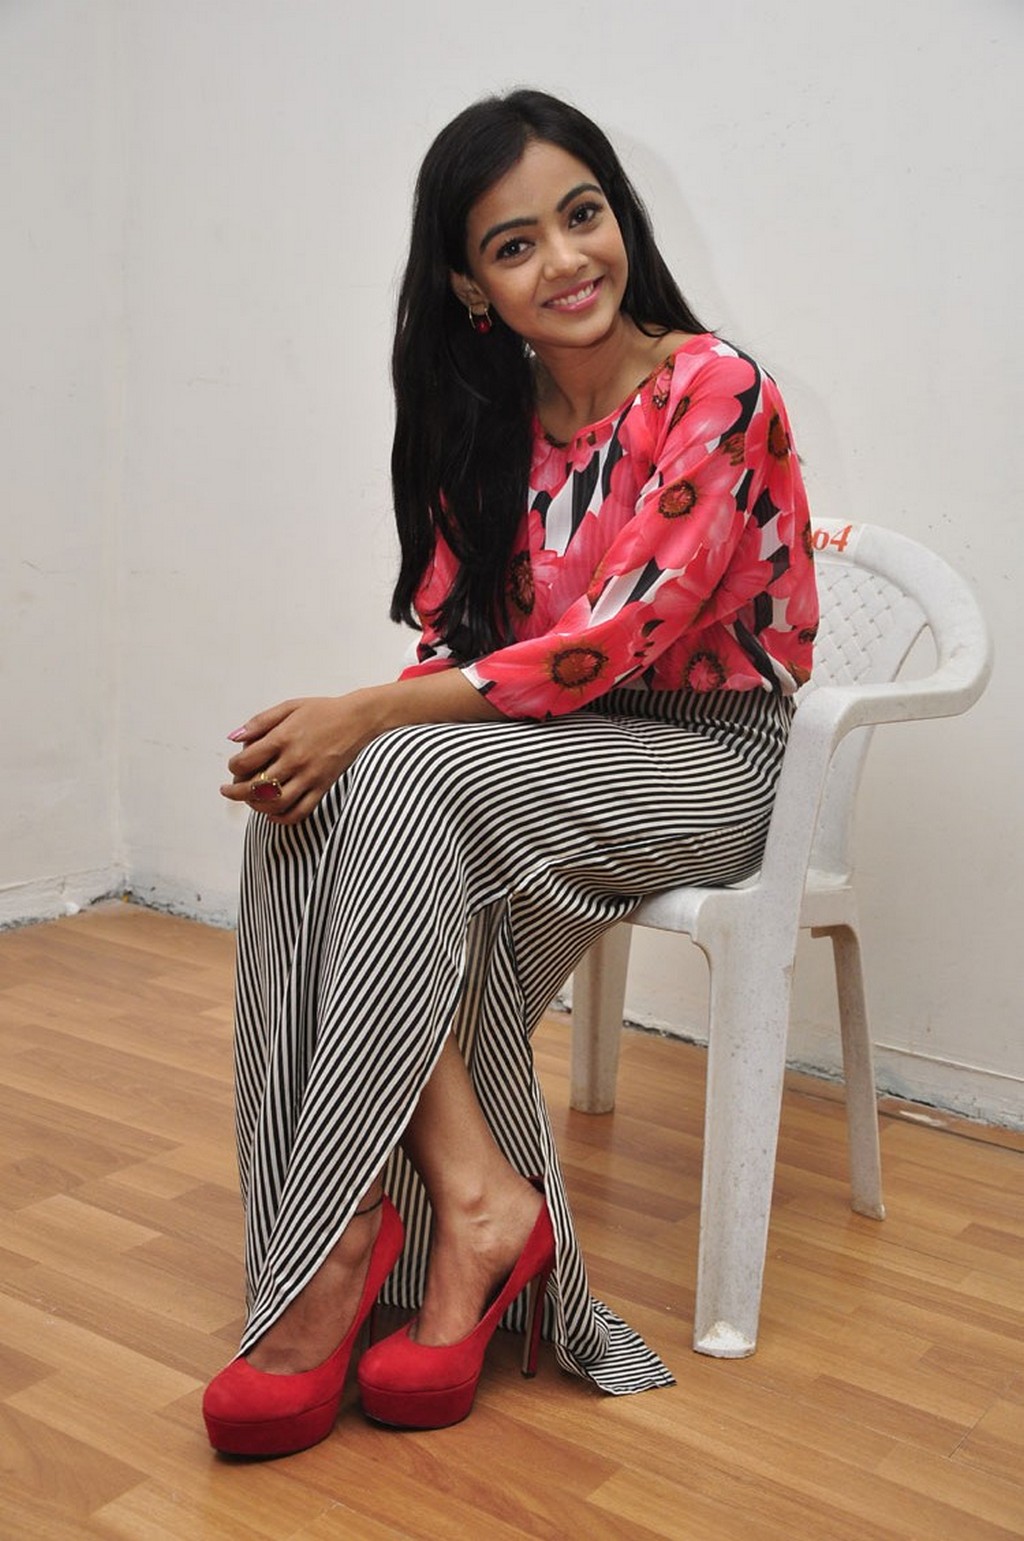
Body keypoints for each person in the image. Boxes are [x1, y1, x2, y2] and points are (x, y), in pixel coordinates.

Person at [202, 88, 818, 1456]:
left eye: (582, 216)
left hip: (707, 759)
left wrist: (373, 714)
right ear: (470, 286)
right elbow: (456, 641)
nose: (567, 260)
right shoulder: (482, 414)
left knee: (390, 763)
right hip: (546, 751)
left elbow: (617, 640)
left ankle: (336, 1241)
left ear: (621, 216)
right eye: (515, 243)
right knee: (311, 796)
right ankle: (469, 1206)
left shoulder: (716, 388)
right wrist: (364, 732)